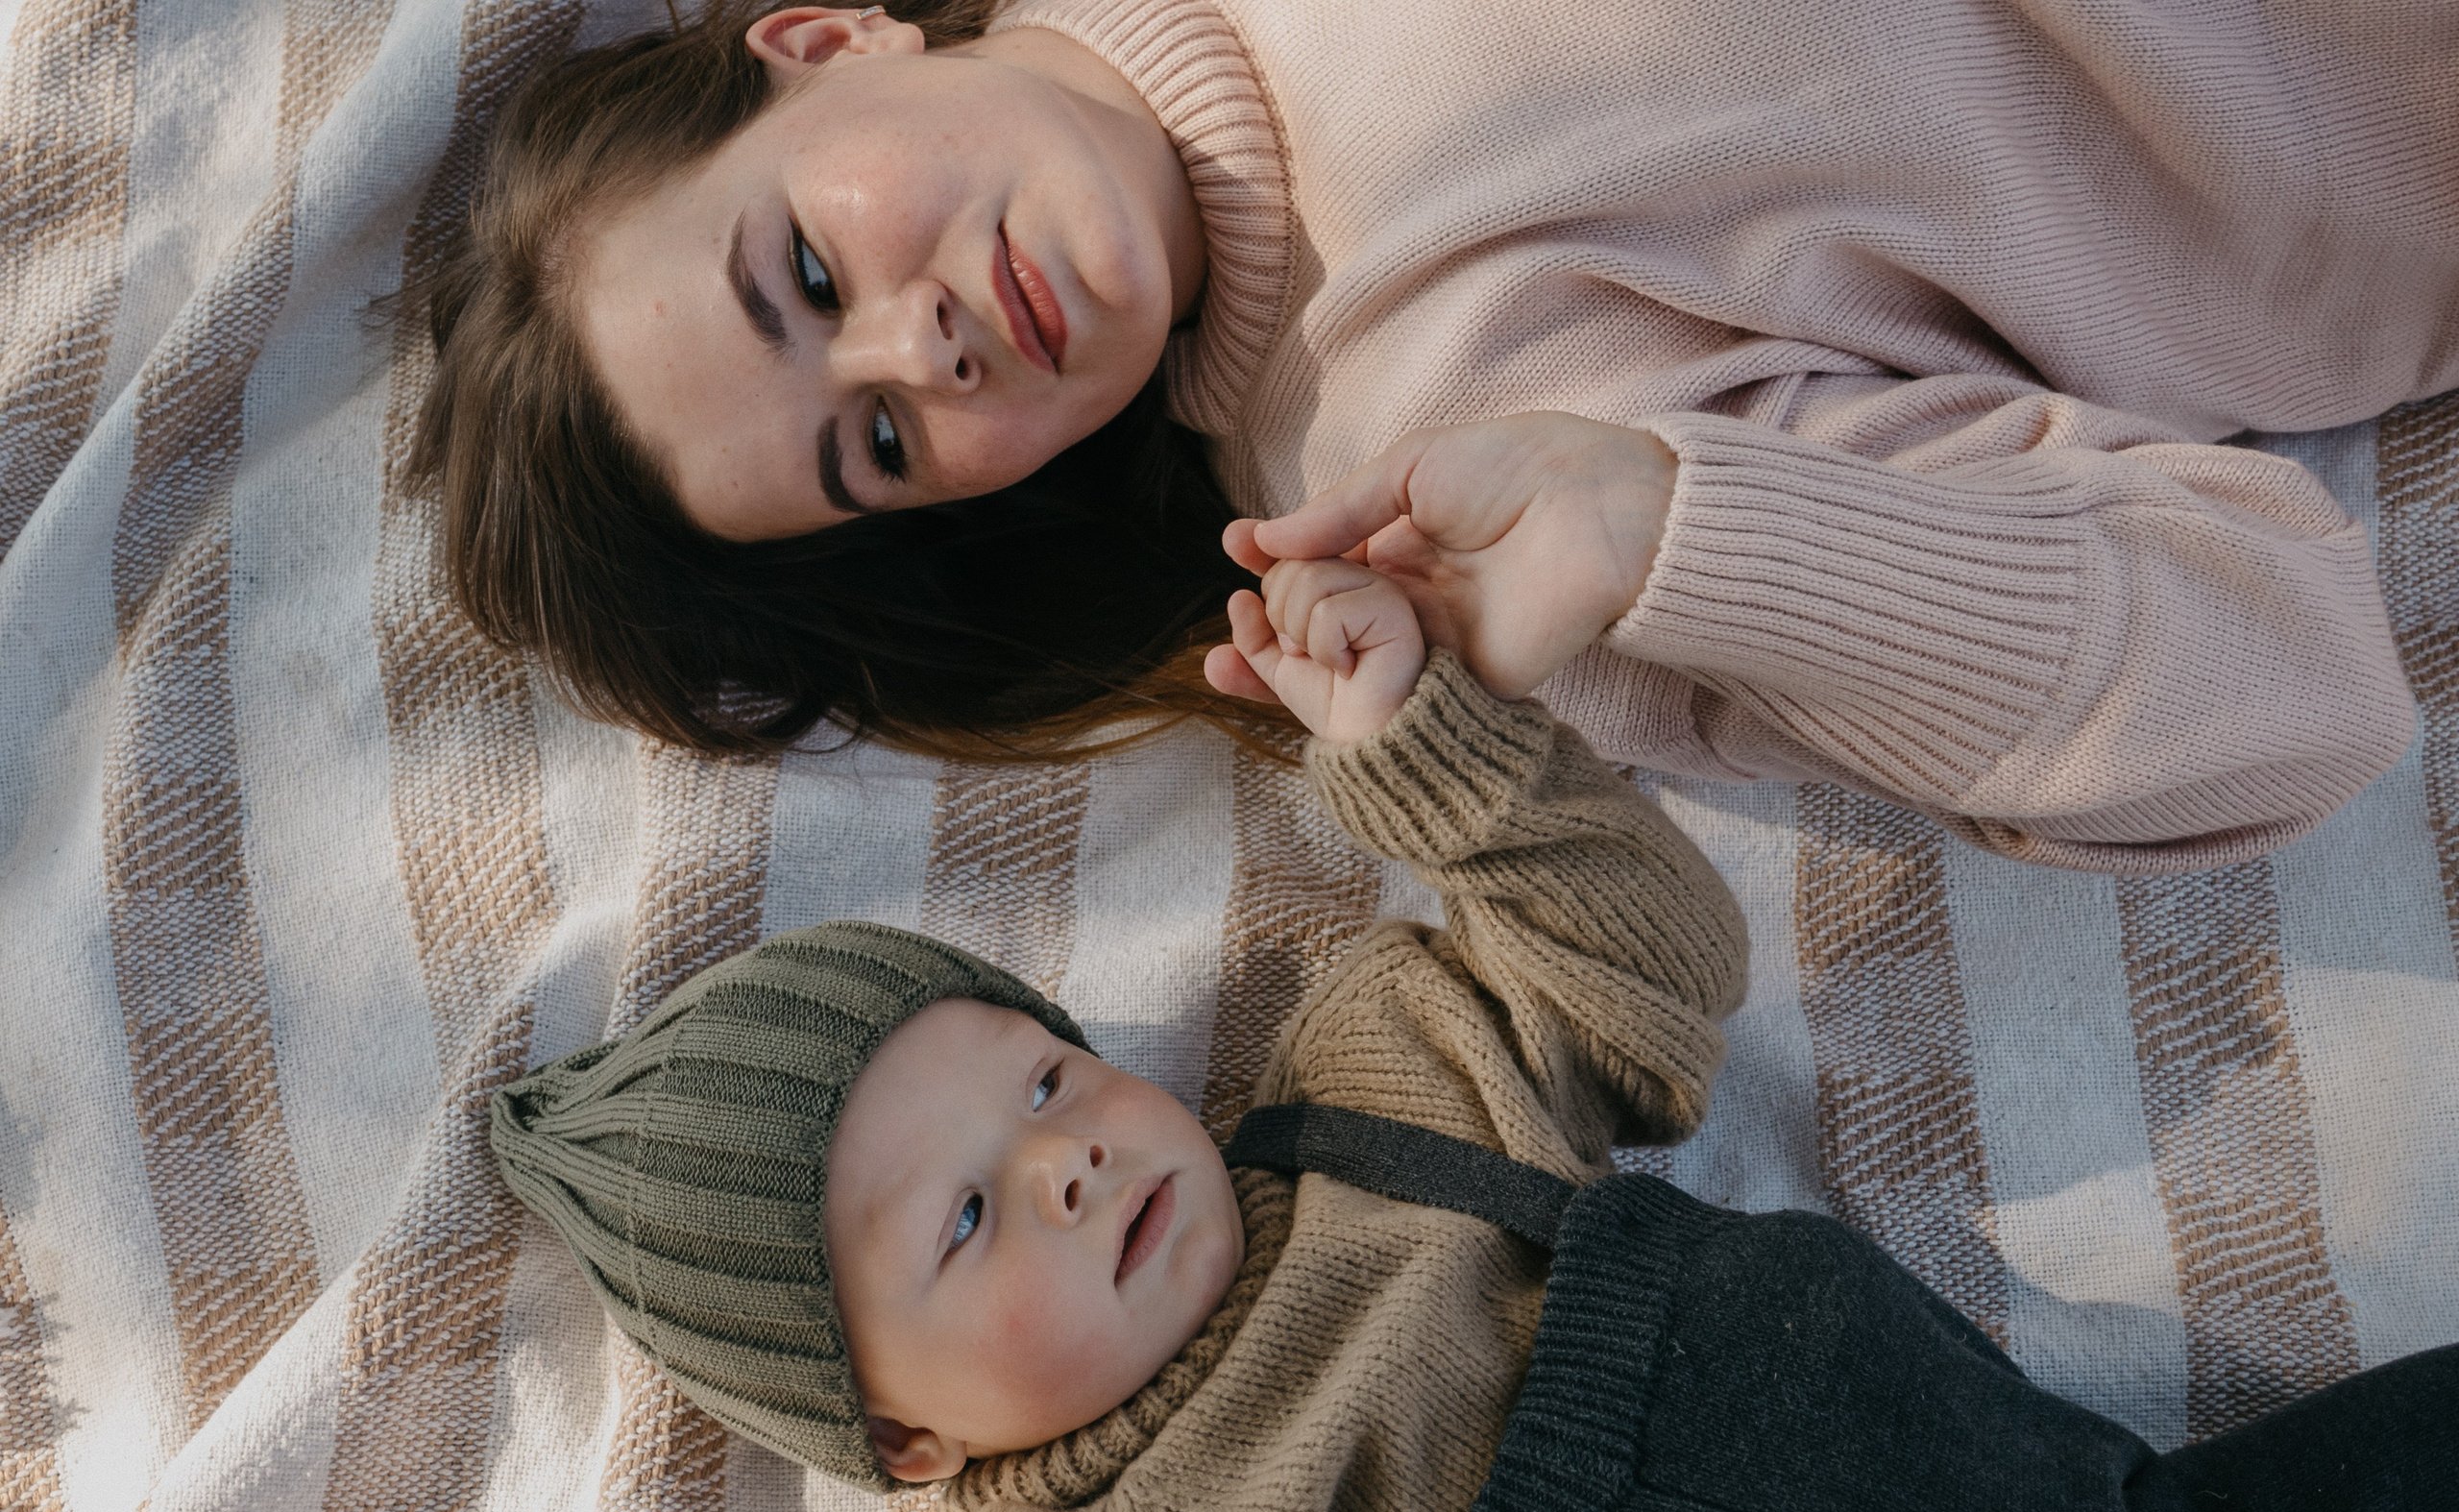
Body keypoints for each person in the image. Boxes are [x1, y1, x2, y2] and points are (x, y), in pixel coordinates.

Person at [500, 567, 2456, 1512]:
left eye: (1039, 1072)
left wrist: (1413, 748)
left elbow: (1639, 960)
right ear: (906, 1442)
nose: (1064, 1152)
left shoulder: (1369, 1083)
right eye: (962, 1220)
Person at [415, 0, 2453, 868]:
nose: (919, 347)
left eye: (801, 269)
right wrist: (1675, 526)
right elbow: (2289, 680)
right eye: (868, 444)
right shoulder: (1439, 454)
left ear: (819, 40)